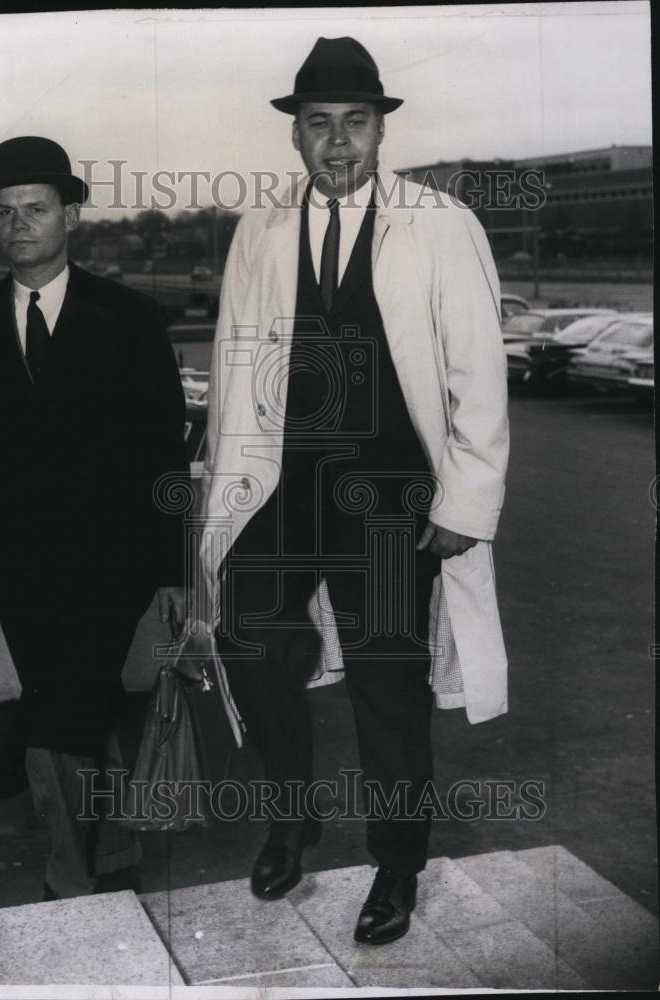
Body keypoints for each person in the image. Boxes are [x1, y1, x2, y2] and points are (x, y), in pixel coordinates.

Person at [197, 37, 509, 944]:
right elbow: (230, 366)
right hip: (279, 490)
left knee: (387, 686)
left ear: (380, 131)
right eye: (318, 125)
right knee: (250, 646)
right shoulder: (258, 229)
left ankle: (397, 867)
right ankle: (292, 815)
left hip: (388, 501)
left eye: (354, 124)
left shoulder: (438, 222)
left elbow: (477, 375)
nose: (336, 143)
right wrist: (223, 492)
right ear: (294, 137)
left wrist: (463, 504)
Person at [0, 135, 189, 900]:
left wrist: (173, 569)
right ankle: (113, 847)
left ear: (70, 213)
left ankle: (67, 868)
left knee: (61, 698)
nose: (18, 224)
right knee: (77, 695)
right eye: (5, 213)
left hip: (117, 560)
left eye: (35, 208)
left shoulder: (129, 317)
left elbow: (165, 456)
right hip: (24, 561)